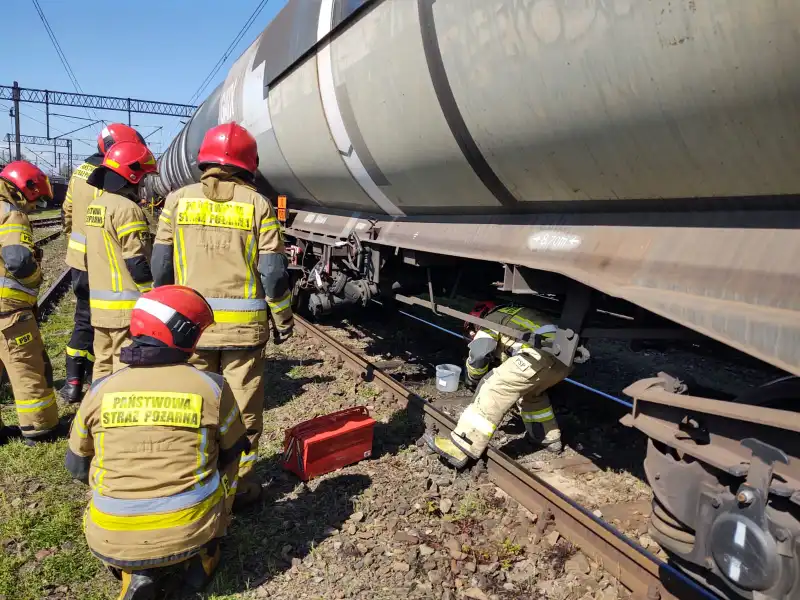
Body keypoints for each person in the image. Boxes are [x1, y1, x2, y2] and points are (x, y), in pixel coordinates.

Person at [65, 285, 249, 598]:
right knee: (231, 460)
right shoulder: (212, 387)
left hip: (110, 536)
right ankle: (202, 561)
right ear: (183, 335)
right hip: (192, 528)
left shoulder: (100, 390)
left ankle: (134, 573)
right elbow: (233, 451)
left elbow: (77, 466)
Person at [152, 122, 293, 508]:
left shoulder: (177, 201)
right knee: (242, 409)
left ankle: (191, 481)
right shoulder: (258, 205)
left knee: (192, 406)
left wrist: (167, 317)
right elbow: (274, 274)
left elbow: (160, 266)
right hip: (243, 334)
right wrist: (282, 320)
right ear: (248, 165)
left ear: (205, 162)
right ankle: (239, 489)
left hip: (190, 329)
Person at [426, 302, 575, 468]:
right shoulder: (511, 314)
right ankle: (548, 438)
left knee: (494, 388)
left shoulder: (490, 321)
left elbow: (479, 354)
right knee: (531, 394)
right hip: (563, 361)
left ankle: (461, 446)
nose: (472, 334)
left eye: (471, 331)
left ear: (477, 320)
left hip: (537, 355)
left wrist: (474, 377)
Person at [61, 124, 146, 403]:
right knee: (119, 344)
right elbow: (131, 253)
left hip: (84, 264)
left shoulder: (79, 172)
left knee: (86, 325)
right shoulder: (121, 200)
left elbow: (67, 212)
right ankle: (117, 402)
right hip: (113, 275)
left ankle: (76, 385)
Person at [84, 140, 156, 379]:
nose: (144, 183)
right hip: (125, 308)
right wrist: (151, 296)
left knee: (102, 364)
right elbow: (136, 260)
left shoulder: (96, 206)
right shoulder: (128, 209)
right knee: (124, 368)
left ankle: (99, 410)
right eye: (143, 177)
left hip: (100, 306)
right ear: (132, 175)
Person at [0, 161, 59, 445]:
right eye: (36, 201)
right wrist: (36, 276)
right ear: (27, 188)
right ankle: (39, 428)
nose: (34, 208)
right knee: (26, 365)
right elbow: (18, 261)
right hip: (8, 310)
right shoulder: (11, 215)